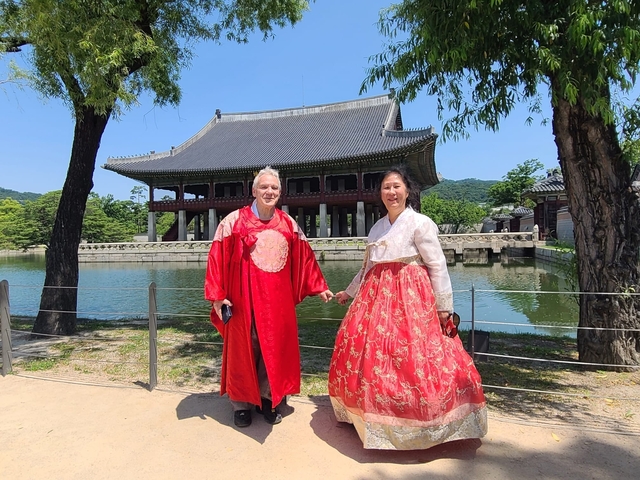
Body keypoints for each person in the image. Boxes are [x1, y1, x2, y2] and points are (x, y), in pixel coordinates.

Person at [328, 166, 487, 450]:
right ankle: (370, 416)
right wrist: (349, 293)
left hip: (411, 297)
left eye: (396, 186)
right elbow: (367, 269)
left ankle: (425, 421)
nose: (391, 192)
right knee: (371, 351)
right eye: (386, 187)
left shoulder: (420, 223)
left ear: (407, 191)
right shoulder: (377, 228)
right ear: (381, 193)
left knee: (415, 354)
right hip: (375, 297)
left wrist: (443, 306)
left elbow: (437, 265)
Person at [205, 166, 333, 428]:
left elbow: (304, 256)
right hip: (242, 301)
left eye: (274, 188)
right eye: (264, 187)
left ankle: (267, 398)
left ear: (280, 193)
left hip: (277, 301)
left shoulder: (288, 224)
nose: (269, 191)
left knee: (272, 349)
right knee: (244, 349)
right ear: (253, 191)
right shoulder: (233, 222)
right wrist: (217, 297)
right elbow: (216, 257)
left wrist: (318, 285)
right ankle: (241, 403)